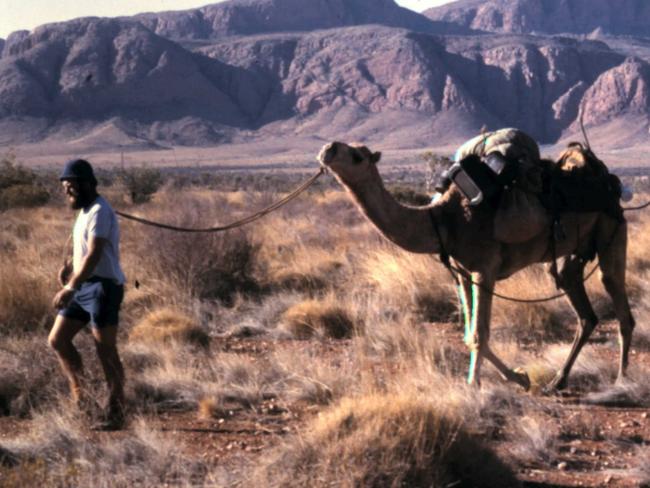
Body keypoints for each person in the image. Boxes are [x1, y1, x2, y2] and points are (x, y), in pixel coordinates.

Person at [49, 159, 127, 430]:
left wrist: (70, 287)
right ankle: (81, 398)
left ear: (86, 184)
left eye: (71, 187)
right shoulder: (84, 211)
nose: (67, 192)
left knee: (105, 349)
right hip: (83, 286)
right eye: (65, 188)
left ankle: (117, 412)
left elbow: (94, 253)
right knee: (58, 339)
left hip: (103, 288)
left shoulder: (99, 211)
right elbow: (84, 252)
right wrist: (71, 271)